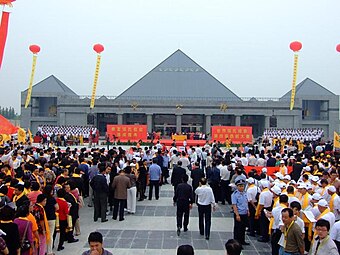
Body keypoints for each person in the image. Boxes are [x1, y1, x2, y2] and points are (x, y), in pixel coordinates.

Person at [231, 179, 249, 246]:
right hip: (239, 213)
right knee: (238, 229)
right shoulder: (234, 194)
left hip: (244, 213)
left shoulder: (245, 193)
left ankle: (242, 241)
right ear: (237, 186)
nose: (241, 187)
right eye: (240, 186)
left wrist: (248, 210)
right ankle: (237, 243)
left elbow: (246, 203)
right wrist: (237, 215)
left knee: (243, 228)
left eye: (242, 186)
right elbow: (234, 205)